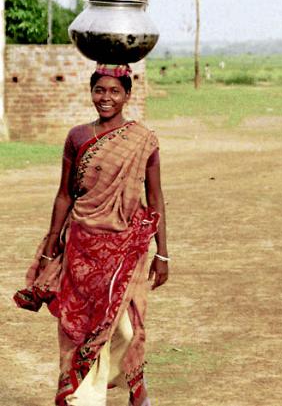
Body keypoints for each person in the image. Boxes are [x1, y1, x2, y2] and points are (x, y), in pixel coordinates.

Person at [14, 63, 169, 406]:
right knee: (82, 327)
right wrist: (50, 245)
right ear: (91, 92)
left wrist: (163, 253)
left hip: (124, 248)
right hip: (81, 247)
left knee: (125, 330)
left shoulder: (143, 140)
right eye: (100, 90)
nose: (106, 98)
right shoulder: (78, 137)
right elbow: (65, 194)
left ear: (128, 95)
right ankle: (83, 399)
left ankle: (127, 378)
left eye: (115, 91)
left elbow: (155, 197)